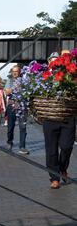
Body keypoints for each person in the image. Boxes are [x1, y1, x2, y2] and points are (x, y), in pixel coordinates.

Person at [42, 51, 76, 189]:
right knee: (51, 149)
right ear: (49, 62)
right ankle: (54, 177)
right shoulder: (43, 77)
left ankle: (62, 168)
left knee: (67, 146)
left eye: (57, 60)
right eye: (53, 60)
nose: (55, 63)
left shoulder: (70, 75)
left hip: (67, 116)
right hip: (50, 116)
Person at [4, 65, 29, 154]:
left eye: (16, 71)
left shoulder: (24, 80)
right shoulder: (9, 80)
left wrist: (15, 89)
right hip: (12, 106)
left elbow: (27, 91)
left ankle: (22, 147)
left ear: (19, 72)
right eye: (13, 71)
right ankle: (9, 142)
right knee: (10, 127)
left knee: (23, 127)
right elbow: (7, 92)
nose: (14, 73)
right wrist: (17, 88)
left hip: (22, 106)